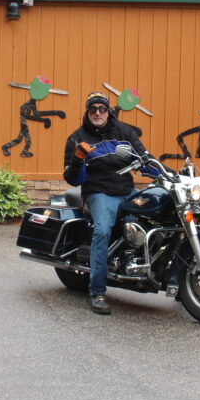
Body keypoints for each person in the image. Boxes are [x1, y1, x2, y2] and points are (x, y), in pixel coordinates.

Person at [63, 92, 152, 315]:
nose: (98, 113)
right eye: (93, 109)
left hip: (127, 191)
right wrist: (78, 158)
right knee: (102, 230)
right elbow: (72, 178)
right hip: (98, 192)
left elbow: (145, 159)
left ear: (108, 111)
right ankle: (97, 293)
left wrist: (171, 174)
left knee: (155, 218)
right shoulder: (77, 138)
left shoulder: (125, 132)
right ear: (87, 112)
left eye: (102, 108)